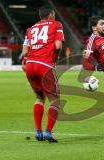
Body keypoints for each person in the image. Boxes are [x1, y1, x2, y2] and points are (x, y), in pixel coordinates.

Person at [20, 5, 65, 142]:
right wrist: (56, 58)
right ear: (51, 15)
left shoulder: (31, 29)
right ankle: (48, 132)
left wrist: (25, 62)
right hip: (44, 65)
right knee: (55, 100)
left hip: (30, 66)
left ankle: (38, 131)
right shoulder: (56, 24)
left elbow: (24, 52)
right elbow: (58, 46)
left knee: (39, 98)